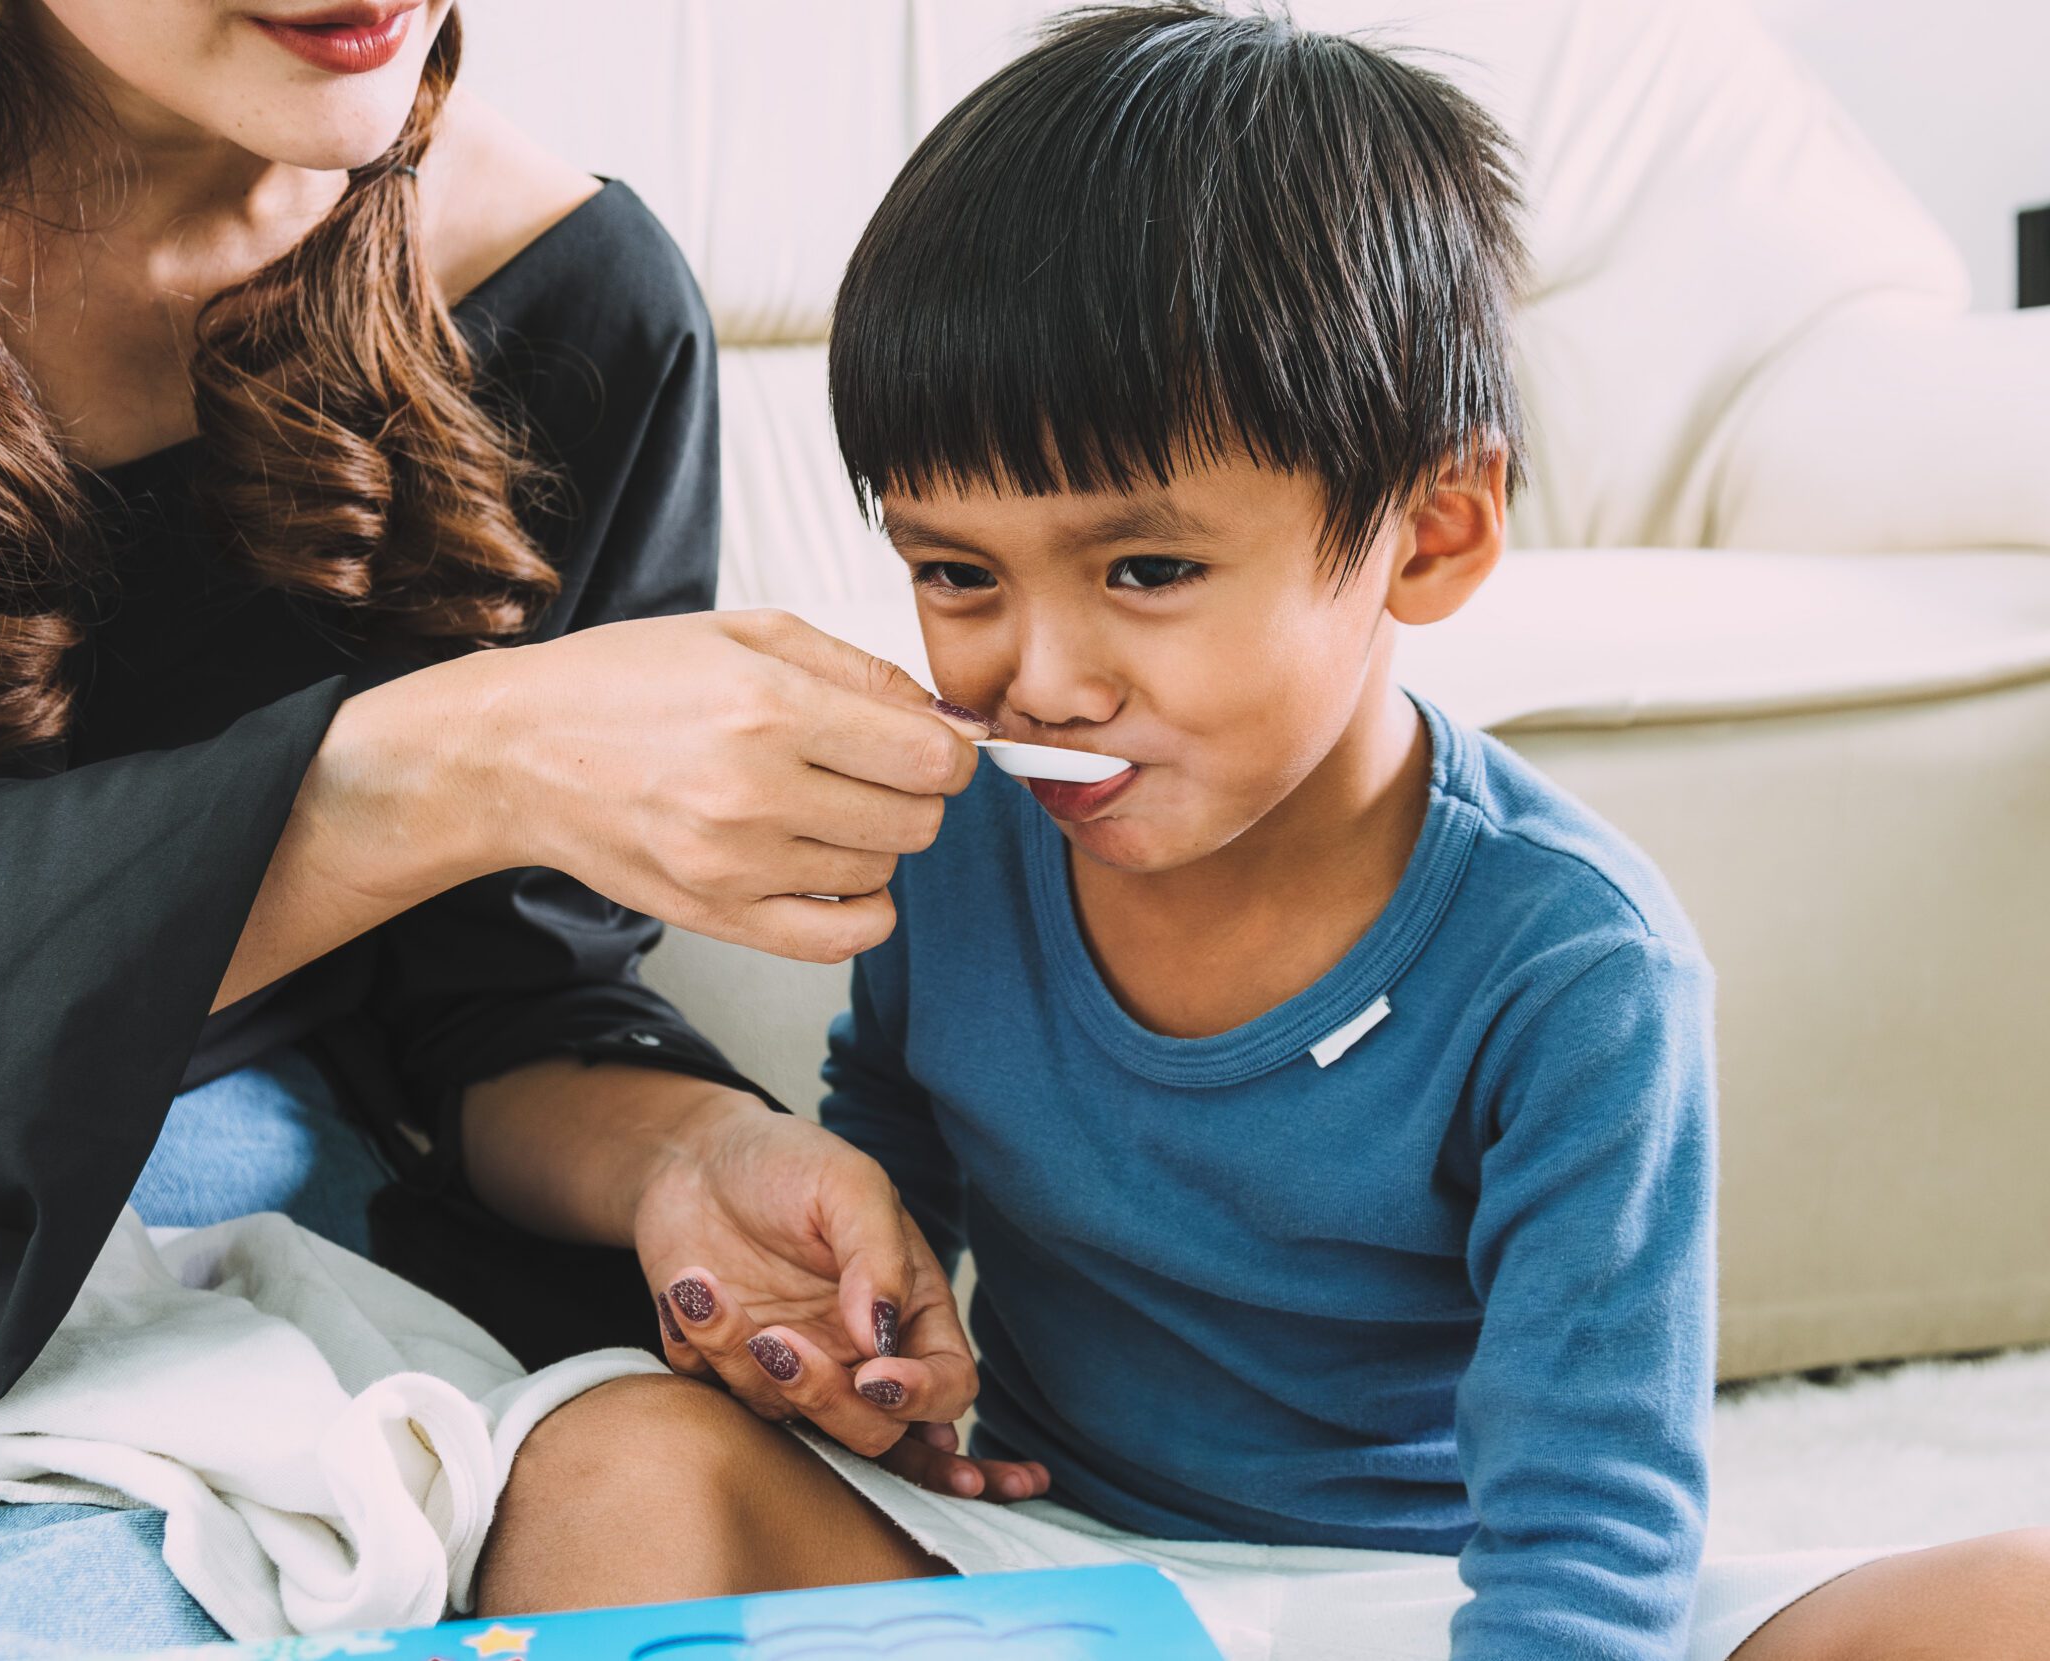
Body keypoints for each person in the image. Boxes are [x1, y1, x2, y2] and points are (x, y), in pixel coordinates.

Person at [0, 0, 971, 1648]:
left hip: (244, 1226)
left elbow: (499, 1005)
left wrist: (689, 1155)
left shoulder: (577, 298)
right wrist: (445, 759)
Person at [725, 7, 2047, 1660]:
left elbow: (1595, 1523)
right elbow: (898, 1124)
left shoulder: (1577, 966)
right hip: (1050, 1567)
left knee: (2020, 1601)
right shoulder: (961, 834)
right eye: (957, 574)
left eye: (1146, 572)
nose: (1037, 679)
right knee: (612, 1463)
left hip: (1450, 1604)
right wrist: (881, 1368)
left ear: (1435, 531)